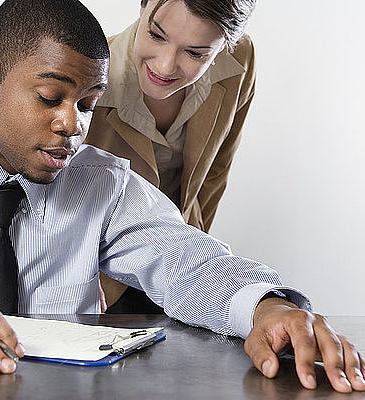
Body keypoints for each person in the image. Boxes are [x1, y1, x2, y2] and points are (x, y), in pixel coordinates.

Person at [0, 0, 365, 393]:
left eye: (87, 105)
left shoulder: (103, 183)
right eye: (51, 96)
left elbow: (186, 259)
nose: (71, 125)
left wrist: (267, 306)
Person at [85, 0, 258, 312]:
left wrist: (197, 268)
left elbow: (214, 174)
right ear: (143, 5)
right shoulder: (86, 76)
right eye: (156, 35)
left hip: (181, 269)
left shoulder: (239, 60)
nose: (164, 66)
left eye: (195, 53)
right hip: (99, 283)